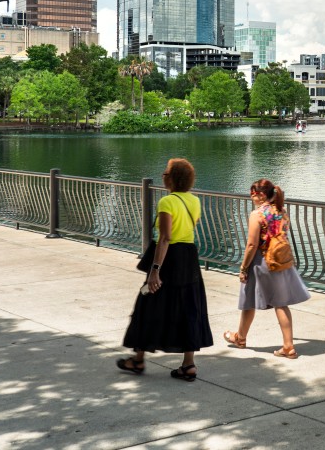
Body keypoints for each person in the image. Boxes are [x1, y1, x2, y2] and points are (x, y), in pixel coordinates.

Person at [116, 158, 213, 381]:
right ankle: (188, 365)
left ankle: (138, 360)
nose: (163, 175)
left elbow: (166, 238)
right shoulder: (195, 201)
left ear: (172, 178)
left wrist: (155, 270)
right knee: (189, 307)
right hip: (189, 257)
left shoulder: (167, 202)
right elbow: (187, 230)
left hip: (169, 259)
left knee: (147, 305)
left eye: (165, 173)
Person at [223, 178, 310, 358]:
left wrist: (243, 267)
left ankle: (240, 338)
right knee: (281, 303)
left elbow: (251, 245)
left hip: (261, 261)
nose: (251, 197)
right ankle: (288, 346)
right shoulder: (282, 211)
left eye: (252, 194)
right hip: (279, 260)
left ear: (261, 195)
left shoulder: (257, 215)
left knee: (248, 299)